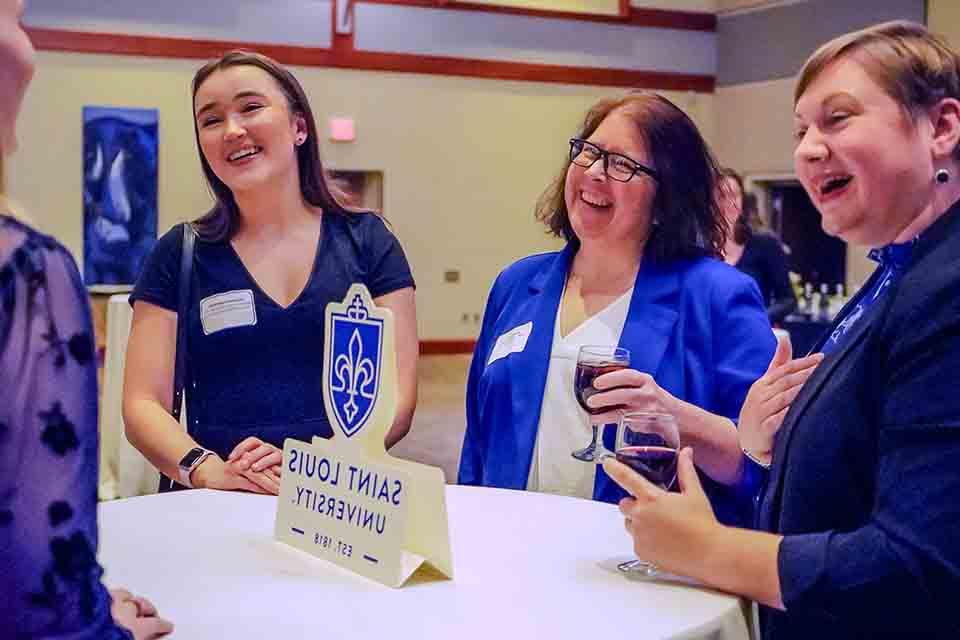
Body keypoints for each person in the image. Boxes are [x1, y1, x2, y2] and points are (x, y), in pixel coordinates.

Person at [605, 21, 960, 639]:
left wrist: (705, 548)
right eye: (801, 130)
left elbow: (918, 566)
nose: (809, 149)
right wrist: (773, 442)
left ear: (942, 127)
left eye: (838, 118)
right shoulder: (897, 274)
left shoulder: (947, 288)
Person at [458, 91, 776, 525]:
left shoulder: (717, 296)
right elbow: (477, 443)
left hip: (643, 567)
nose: (593, 173)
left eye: (621, 165)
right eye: (588, 152)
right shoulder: (516, 284)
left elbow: (760, 465)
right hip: (513, 552)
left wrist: (672, 416)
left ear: (667, 199)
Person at [123, 51, 418, 494]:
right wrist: (207, 469)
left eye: (250, 107)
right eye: (211, 120)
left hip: (338, 501)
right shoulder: (179, 253)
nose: (233, 130)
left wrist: (317, 465)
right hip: (217, 502)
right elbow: (141, 403)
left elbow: (396, 396)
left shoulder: (368, 241)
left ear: (299, 127)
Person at [0, 1, 173, 637]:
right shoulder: (25, 273)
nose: (30, 49)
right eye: (13, 15)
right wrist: (101, 624)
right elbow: (37, 594)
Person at [718, 167, 797, 324]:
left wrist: (757, 321)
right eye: (720, 196)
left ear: (743, 201)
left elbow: (788, 300)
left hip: (752, 338)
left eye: (733, 195)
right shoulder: (697, 247)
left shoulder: (765, 244)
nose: (728, 202)